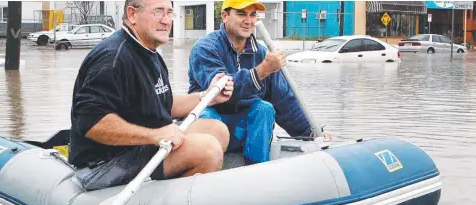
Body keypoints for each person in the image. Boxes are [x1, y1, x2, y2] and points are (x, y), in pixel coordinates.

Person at [69, 0, 235, 191]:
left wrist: (207, 97)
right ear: (132, 15)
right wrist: (156, 135)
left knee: (217, 130)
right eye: (158, 12)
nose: (166, 21)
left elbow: (164, 104)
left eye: (170, 12)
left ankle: (164, 196)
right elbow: (91, 124)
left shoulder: (149, 52)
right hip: (104, 163)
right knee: (208, 150)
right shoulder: (112, 58)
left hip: (141, 147)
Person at [187, 0, 327, 165]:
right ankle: (204, 170)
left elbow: (285, 102)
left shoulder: (261, 54)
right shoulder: (206, 47)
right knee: (208, 115)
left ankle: (257, 169)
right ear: (225, 16)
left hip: (241, 127)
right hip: (212, 121)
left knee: (264, 108)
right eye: (241, 14)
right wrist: (262, 71)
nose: (248, 20)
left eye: (252, 15)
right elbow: (223, 92)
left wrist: (313, 133)